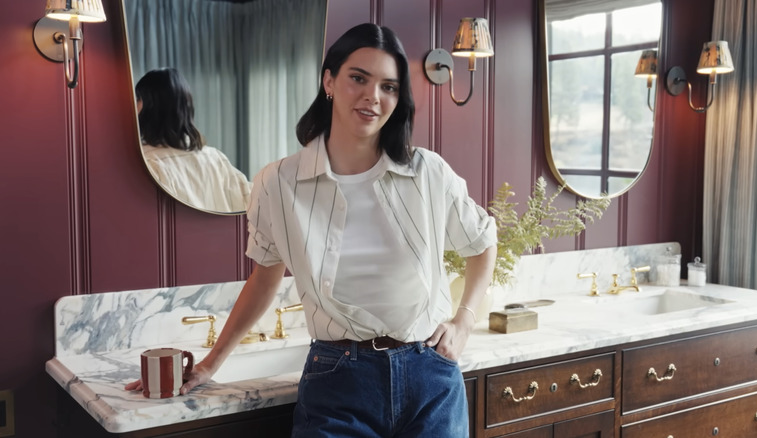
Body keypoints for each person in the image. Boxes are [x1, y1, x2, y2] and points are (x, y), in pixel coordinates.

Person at [127, 23, 496, 437]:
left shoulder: (428, 172)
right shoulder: (278, 183)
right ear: (329, 81)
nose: (373, 96)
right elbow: (264, 278)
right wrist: (211, 362)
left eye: (389, 86)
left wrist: (464, 321)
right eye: (359, 78)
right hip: (337, 382)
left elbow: (482, 241)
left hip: (430, 378)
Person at [135, 67, 252, 213]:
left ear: (148, 106)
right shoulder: (215, 158)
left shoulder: (145, 164)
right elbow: (252, 203)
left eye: (137, 99)